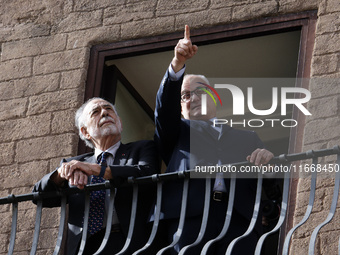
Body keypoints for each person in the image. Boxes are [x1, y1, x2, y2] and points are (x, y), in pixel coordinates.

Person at [153, 25, 274, 254]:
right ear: (180, 107)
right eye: (185, 95)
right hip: (189, 219)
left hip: (240, 220)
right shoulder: (175, 131)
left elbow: (272, 178)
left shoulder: (248, 136)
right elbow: (163, 109)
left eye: (200, 91)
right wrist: (177, 65)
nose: (193, 98)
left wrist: (269, 158)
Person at [33, 97, 159, 255]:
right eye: (96, 112)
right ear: (85, 132)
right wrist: (61, 174)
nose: (105, 113)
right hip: (86, 247)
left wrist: (97, 169)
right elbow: (39, 196)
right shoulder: (74, 163)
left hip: (131, 243)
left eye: (109, 109)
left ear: (119, 122)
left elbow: (146, 173)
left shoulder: (141, 148)